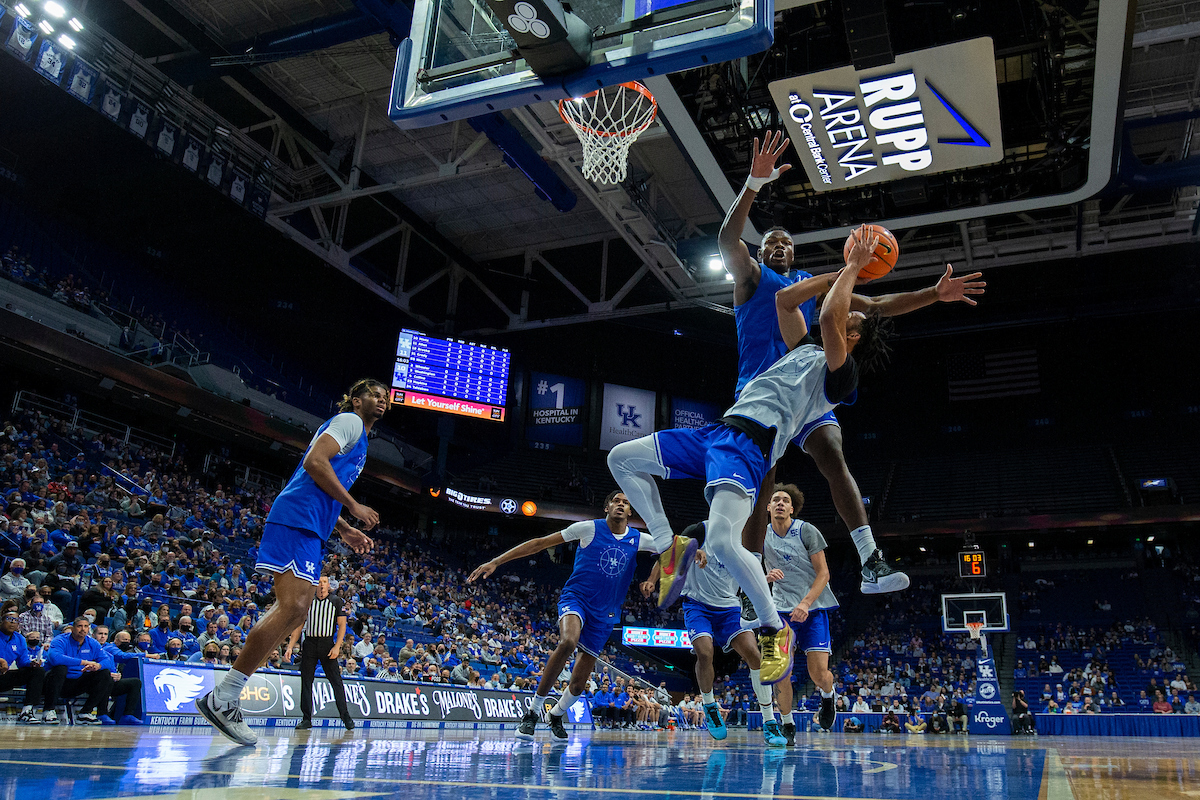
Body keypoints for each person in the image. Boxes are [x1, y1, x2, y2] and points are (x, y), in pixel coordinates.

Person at [609, 228, 891, 685]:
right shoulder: (805, 349)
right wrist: (840, 275)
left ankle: (774, 629)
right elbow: (784, 304)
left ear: (853, 334)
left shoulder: (841, 371)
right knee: (621, 457)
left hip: (750, 446)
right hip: (718, 432)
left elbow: (836, 314)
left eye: (848, 320)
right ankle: (668, 545)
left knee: (723, 541)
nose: (841, 316)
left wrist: (853, 269)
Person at [717, 131, 984, 592]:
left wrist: (934, 295)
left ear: (795, 254)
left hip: (811, 383)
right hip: (761, 390)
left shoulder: (811, 282)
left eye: (786, 243)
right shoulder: (751, 279)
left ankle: (870, 559)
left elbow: (878, 305)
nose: (779, 246)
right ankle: (751, 582)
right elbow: (726, 237)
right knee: (764, 486)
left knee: (834, 456)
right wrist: (753, 184)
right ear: (761, 252)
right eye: (772, 243)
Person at [197, 379, 386, 746]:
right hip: (297, 518)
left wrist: (343, 528)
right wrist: (353, 505)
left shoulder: (358, 437)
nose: (380, 400)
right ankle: (224, 696)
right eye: (373, 395)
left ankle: (226, 695)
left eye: (385, 397)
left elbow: (319, 483)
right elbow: (314, 462)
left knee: (298, 610)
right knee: (296, 606)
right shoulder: (348, 422)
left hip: (312, 524)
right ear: (356, 399)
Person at [468, 491, 665, 742]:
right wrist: (497, 560)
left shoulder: (639, 539)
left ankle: (557, 714)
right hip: (577, 599)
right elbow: (540, 542)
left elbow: (671, 551)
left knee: (578, 684)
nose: (621, 504)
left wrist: (651, 579)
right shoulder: (587, 529)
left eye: (626, 503)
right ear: (607, 507)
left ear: (630, 513)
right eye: (616, 500)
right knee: (568, 642)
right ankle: (532, 712)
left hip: (606, 613)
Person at [642, 523, 785, 747]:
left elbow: (748, 576)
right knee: (705, 653)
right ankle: (710, 706)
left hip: (729, 607)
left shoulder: (746, 540)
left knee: (755, 657)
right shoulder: (699, 530)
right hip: (697, 605)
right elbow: (668, 552)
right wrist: (652, 580)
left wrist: (764, 579)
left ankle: (769, 721)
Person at [760, 484, 838, 744]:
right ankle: (787, 723)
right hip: (778, 610)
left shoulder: (806, 531)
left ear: (792, 508)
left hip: (812, 609)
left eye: (785, 500)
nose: (780, 503)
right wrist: (765, 577)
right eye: (775, 500)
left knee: (818, 674)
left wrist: (805, 603)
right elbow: (747, 572)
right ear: (768, 507)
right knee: (779, 672)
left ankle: (828, 696)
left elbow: (824, 573)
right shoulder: (760, 534)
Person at [285, 575, 353, 730]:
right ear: (314, 585)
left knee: (336, 681)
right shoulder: (307, 600)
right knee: (306, 681)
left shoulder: (336, 601)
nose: (322, 585)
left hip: (327, 644)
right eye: (319, 582)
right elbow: (299, 625)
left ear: (329, 585)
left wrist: (337, 646)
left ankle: (345, 716)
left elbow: (342, 626)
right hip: (309, 643)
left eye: (324, 582)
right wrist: (290, 646)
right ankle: (306, 718)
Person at [44, 616, 113, 725]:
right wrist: (83, 662)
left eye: (86, 626)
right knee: (60, 668)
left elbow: (107, 660)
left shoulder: (92, 643)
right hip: (55, 681)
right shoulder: (60, 640)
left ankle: (85, 713)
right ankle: (48, 710)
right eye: (79, 626)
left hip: (77, 681)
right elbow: (55, 658)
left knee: (104, 674)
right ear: (73, 628)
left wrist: (97, 666)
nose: (83, 629)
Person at [0, 606, 46, 723]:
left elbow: (22, 662)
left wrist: (32, 664)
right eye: (9, 619)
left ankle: (27, 711)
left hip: (4, 676)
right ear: (2, 621)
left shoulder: (20, 639)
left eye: (16, 620)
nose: (12, 623)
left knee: (37, 671)